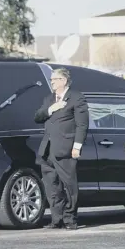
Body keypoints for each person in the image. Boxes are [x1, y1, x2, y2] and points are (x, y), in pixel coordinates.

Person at [35, 67, 88, 230]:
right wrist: (53, 108)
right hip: (47, 150)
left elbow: (82, 124)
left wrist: (77, 146)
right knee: (52, 185)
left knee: (69, 184)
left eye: (54, 79)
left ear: (63, 81)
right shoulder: (49, 99)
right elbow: (37, 117)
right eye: (51, 80)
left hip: (66, 148)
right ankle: (56, 218)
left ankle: (70, 218)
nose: (51, 82)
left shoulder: (76, 98)